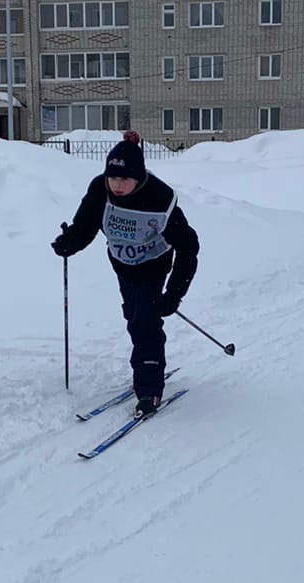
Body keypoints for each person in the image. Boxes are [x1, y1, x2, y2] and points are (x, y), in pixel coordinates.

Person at [52, 132, 199, 415]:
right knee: (134, 316)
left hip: (154, 265)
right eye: (112, 177)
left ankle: (149, 389)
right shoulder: (100, 190)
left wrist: (173, 294)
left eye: (124, 178)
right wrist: (70, 242)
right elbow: (85, 225)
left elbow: (188, 248)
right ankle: (147, 367)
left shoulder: (160, 198)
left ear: (139, 176)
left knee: (145, 322)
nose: (117, 185)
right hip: (123, 265)